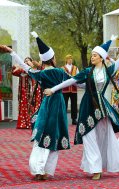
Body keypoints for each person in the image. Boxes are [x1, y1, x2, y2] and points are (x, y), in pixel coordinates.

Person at [44, 36, 119, 180]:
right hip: (87, 107)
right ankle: (95, 168)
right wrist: (53, 89)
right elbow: (71, 80)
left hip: (102, 107)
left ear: (102, 58)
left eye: (95, 55)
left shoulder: (109, 70)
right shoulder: (87, 72)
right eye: (92, 55)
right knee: (88, 137)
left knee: (105, 135)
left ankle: (106, 164)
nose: (92, 57)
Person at [0, 31, 71, 180]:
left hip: (47, 105)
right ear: (52, 58)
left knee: (42, 135)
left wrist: (12, 52)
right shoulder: (60, 72)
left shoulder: (41, 74)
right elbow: (75, 80)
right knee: (54, 135)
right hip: (58, 106)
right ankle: (45, 170)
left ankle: (38, 169)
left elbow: (24, 67)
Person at [12, 57, 35, 129]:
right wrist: (15, 66)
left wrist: (28, 65)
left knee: (30, 106)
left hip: (30, 91)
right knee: (22, 106)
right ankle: (23, 123)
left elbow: (29, 72)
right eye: (25, 61)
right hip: (22, 91)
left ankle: (30, 123)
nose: (26, 62)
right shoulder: (21, 70)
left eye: (28, 61)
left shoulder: (31, 70)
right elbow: (14, 72)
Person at [61, 55, 79, 125]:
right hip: (65, 89)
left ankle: (74, 119)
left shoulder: (75, 68)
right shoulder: (62, 68)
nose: (70, 60)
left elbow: (78, 76)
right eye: (68, 59)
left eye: (71, 59)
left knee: (74, 104)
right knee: (64, 104)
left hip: (74, 89)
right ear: (66, 60)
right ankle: (63, 119)